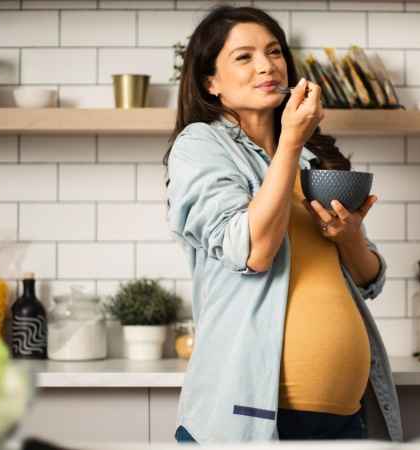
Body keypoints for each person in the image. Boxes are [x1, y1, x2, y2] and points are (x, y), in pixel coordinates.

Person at [164, 5, 403, 444]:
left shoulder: (315, 162)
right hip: (251, 422)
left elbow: (370, 280)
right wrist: (291, 139)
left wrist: (350, 238)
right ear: (209, 82)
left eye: (274, 52)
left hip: (345, 417)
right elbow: (252, 252)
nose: (266, 65)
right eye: (244, 56)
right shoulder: (200, 146)